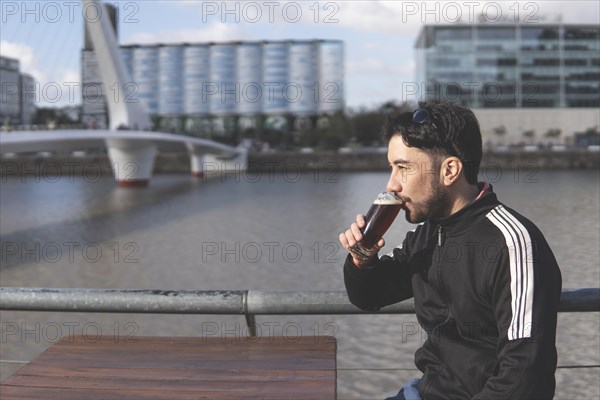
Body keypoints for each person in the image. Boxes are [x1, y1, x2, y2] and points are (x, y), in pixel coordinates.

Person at [339, 101, 562, 400]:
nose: (391, 185)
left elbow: (525, 373)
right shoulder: (429, 234)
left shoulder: (514, 243)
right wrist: (361, 259)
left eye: (403, 168)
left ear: (450, 170)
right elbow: (369, 296)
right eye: (391, 168)